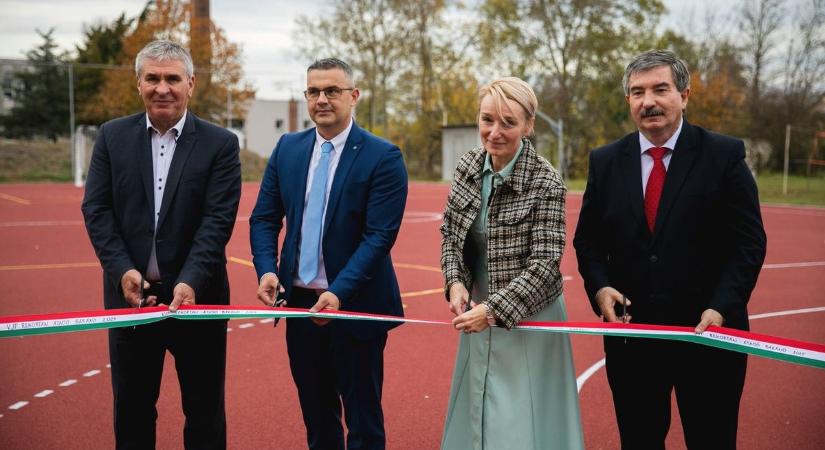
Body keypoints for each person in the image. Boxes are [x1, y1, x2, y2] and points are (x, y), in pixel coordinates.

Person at [573, 50, 767, 449]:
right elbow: (587, 240)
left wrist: (723, 306)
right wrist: (600, 287)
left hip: (710, 334)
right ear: (628, 100)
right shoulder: (606, 161)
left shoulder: (724, 155)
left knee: (711, 439)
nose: (649, 101)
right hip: (633, 340)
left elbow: (748, 242)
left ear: (684, 95)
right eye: (637, 92)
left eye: (661, 89)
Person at [81, 40, 241, 449]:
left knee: (204, 414)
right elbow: (97, 210)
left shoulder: (220, 144)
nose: (162, 88)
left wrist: (190, 280)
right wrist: (122, 271)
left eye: (172, 78)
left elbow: (216, 221)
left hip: (198, 300)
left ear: (191, 83)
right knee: (132, 412)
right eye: (152, 78)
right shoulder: (112, 137)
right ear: (139, 84)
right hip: (131, 300)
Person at [249, 57, 408, 450]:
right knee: (318, 420)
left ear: (353, 96)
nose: (322, 99)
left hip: (354, 307)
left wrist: (338, 292)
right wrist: (267, 270)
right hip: (301, 308)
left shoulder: (383, 157)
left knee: (363, 422)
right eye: (314, 91)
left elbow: (378, 238)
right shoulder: (288, 148)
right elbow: (264, 218)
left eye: (332, 91)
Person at [439, 77, 584, 450]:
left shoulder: (546, 181)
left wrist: (491, 310)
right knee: (478, 409)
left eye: (508, 122)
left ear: (528, 125)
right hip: (478, 312)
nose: (495, 132)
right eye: (488, 119)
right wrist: (456, 283)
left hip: (530, 316)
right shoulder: (468, 166)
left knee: (519, 420)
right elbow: (451, 237)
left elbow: (545, 264)